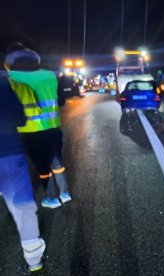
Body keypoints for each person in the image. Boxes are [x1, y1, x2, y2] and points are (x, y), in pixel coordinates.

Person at [4, 42, 71, 209]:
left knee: (42, 166)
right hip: (53, 127)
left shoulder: (11, 78)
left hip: (30, 131)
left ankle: (52, 198)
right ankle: (65, 193)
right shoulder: (49, 75)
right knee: (57, 162)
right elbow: (61, 101)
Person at [0, 76, 46, 272]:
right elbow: (20, 118)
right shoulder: (3, 88)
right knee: (22, 207)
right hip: (9, 153)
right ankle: (34, 260)